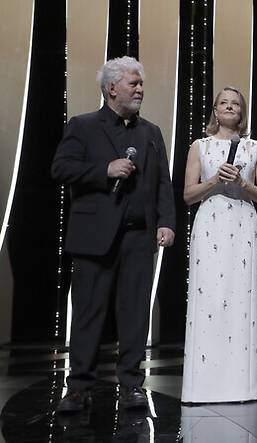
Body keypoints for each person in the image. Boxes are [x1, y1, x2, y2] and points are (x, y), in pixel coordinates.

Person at [51, 56, 176, 412]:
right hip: (94, 237)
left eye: (140, 83)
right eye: (133, 84)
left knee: (135, 313)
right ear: (111, 88)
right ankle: (78, 388)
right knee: (89, 312)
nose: (140, 89)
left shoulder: (150, 132)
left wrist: (166, 220)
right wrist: (103, 169)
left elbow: (161, 182)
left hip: (139, 237)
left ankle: (132, 385)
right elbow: (61, 168)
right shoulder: (83, 126)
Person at [181, 86, 257, 403]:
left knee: (240, 299)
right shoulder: (199, 147)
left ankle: (240, 386)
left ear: (242, 112)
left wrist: (242, 183)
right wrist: (215, 181)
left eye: (236, 103)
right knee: (209, 300)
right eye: (224, 102)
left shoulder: (255, 148)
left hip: (243, 224)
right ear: (215, 111)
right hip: (210, 224)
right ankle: (203, 385)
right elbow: (188, 195)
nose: (230, 106)